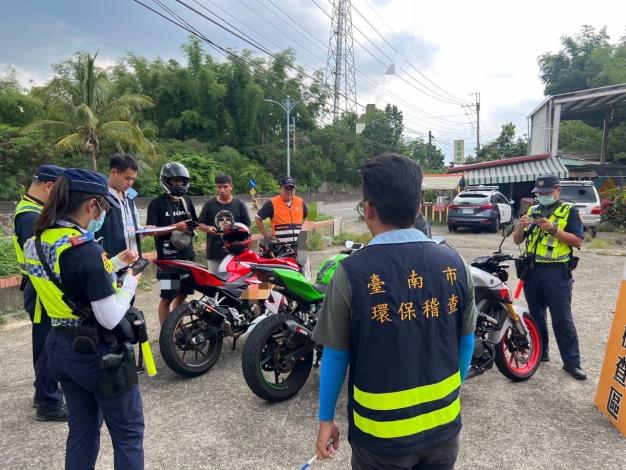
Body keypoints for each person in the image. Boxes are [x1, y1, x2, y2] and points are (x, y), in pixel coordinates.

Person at [311, 154, 477, 470]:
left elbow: (335, 357)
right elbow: (466, 342)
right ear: (419, 207)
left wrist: (325, 420)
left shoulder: (349, 273)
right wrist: (449, 398)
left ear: (369, 208)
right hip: (443, 430)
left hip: (380, 439)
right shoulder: (455, 264)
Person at [21, 168, 144, 469]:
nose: (102, 214)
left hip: (61, 346)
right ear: (91, 205)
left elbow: (69, 280)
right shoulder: (85, 249)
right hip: (98, 354)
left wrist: (114, 263)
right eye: (103, 208)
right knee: (128, 434)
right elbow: (109, 317)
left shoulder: (36, 242)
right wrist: (130, 283)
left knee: (82, 430)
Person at [512, 174, 586, 380]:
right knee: (536, 317)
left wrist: (553, 229)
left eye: (547, 192)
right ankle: (540, 352)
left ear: (557, 190)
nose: (543, 195)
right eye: (539, 193)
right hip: (532, 272)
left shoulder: (569, 211)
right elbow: (517, 241)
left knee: (562, 319)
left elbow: (577, 241)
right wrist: (521, 227)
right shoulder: (533, 210)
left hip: (556, 273)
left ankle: (572, 362)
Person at [12, 164, 68, 421]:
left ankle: (43, 392)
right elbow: (42, 254)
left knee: (49, 341)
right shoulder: (29, 216)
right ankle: (48, 403)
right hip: (39, 288)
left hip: (40, 285)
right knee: (46, 345)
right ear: (49, 186)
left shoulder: (34, 210)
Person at [147, 162, 197, 325]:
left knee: (183, 294)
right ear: (166, 181)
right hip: (169, 262)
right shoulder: (156, 204)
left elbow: (195, 222)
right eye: (175, 181)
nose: (178, 184)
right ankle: (166, 334)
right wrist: (174, 227)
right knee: (167, 297)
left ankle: (177, 329)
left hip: (187, 257)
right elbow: (151, 231)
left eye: (181, 181)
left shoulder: (187, 201)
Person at [198, 174, 251, 272]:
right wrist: (207, 228)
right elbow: (200, 224)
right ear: (216, 188)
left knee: (235, 280)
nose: (222, 190)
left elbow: (247, 226)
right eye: (219, 187)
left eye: (225, 187)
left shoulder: (240, 205)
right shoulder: (209, 205)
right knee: (215, 280)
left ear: (231, 187)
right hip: (215, 253)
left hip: (235, 253)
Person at [95, 153, 142, 261]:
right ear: (113, 172)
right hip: (111, 263)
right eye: (127, 178)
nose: (130, 183)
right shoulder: (100, 198)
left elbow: (134, 226)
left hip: (134, 262)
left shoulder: (130, 197)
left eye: (133, 179)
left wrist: (144, 231)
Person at [255, 176, 308, 250]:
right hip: (280, 248)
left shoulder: (301, 202)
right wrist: (266, 237)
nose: (289, 191)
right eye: (286, 188)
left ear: (294, 190)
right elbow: (258, 218)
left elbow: (307, 217)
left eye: (291, 189)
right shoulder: (272, 203)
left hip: (298, 247)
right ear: (280, 189)